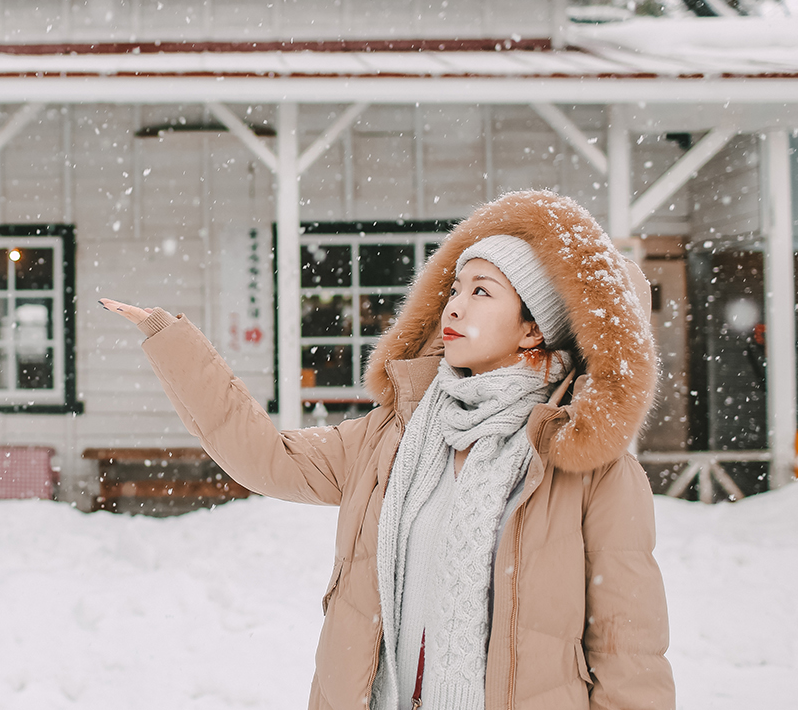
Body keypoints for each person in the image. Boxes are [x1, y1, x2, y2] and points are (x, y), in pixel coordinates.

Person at [100, 189, 674, 710]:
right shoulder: (391, 437)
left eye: (481, 292)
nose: (454, 307)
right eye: (453, 289)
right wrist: (169, 339)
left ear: (532, 329)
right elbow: (265, 456)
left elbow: (628, 650)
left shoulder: (587, 467)